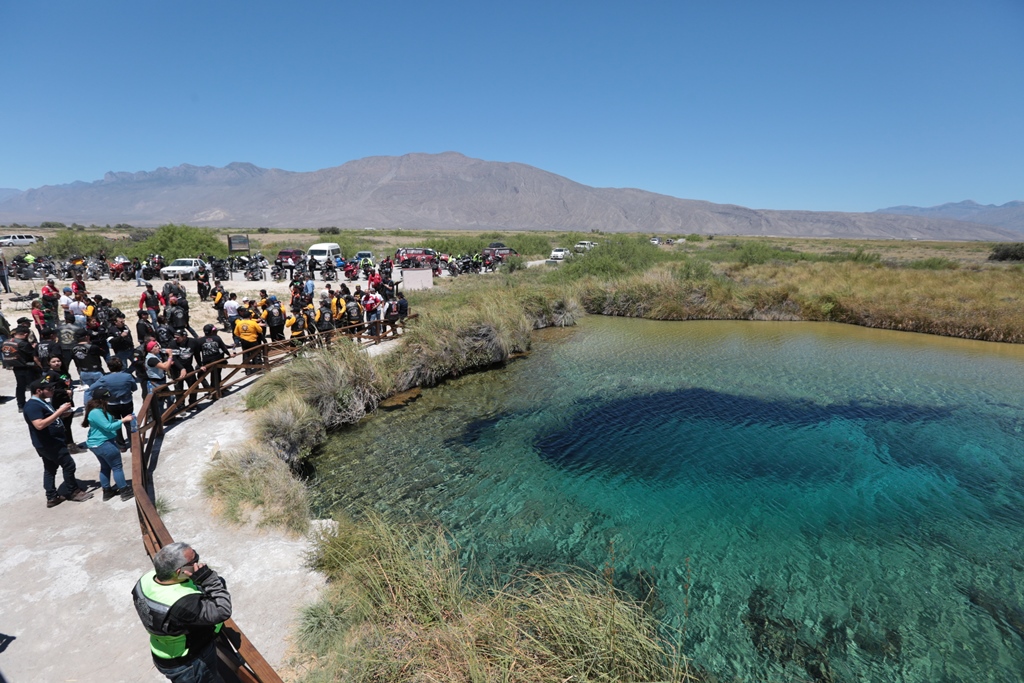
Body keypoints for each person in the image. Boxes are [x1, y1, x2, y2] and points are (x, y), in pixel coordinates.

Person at [132, 542, 232, 683]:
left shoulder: (146, 580)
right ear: (180, 571)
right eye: (194, 561)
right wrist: (210, 580)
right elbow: (223, 610)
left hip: (162, 651)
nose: (199, 563)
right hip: (189, 664)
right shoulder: (182, 603)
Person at [24, 378, 93, 507]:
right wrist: (59, 411)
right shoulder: (32, 406)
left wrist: (60, 415)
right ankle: (74, 492)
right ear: (39, 391)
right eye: (49, 389)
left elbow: (48, 418)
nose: (52, 391)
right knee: (69, 465)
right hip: (50, 444)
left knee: (50, 468)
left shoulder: (41, 402)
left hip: (51, 442)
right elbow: (39, 425)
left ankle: (52, 497)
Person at [82, 387, 134, 501]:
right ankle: (125, 491)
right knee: (117, 467)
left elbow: (109, 422)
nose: (109, 401)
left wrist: (121, 420)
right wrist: (124, 420)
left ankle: (107, 492)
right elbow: (108, 427)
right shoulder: (96, 412)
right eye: (107, 399)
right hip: (103, 444)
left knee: (105, 467)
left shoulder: (98, 410)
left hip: (98, 444)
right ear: (102, 400)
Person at [88, 356, 137, 449]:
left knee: (115, 424)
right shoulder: (127, 376)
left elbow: (92, 388)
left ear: (109, 367)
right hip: (126, 402)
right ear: (121, 366)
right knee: (129, 423)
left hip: (111, 404)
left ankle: (121, 446)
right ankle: (133, 445)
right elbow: (134, 388)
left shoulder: (105, 378)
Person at [43, 355, 80, 453]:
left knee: (68, 423)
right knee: (64, 425)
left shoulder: (63, 371)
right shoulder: (50, 374)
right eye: (53, 361)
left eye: (58, 361)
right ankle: (69, 445)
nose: (56, 363)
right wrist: (64, 391)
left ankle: (70, 443)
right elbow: (46, 387)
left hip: (68, 400)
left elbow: (67, 383)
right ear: (49, 363)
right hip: (59, 401)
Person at [3, 325, 40, 412]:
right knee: (33, 385)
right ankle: (36, 404)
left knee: (20, 386)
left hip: (16, 367)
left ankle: (21, 405)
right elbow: (33, 354)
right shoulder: (23, 343)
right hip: (27, 367)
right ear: (25, 334)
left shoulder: (6, 342)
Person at [197, 324, 232, 400]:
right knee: (216, 375)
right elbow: (224, 348)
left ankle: (210, 390)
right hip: (218, 360)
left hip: (206, 362)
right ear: (212, 331)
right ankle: (215, 391)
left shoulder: (200, 340)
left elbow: (197, 353)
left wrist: (200, 364)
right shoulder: (217, 338)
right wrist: (229, 355)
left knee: (200, 375)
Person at [71, 328, 105, 404]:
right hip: (96, 371)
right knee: (100, 389)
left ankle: (88, 406)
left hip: (83, 371)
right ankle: (102, 405)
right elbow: (103, 353)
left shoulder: (73, 348)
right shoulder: (92, 347)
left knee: (88, 390)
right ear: (86, 336)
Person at [232, 310, 264, 375]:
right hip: (253, 340)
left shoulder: (239, 323)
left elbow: (236, 333)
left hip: (243, 341)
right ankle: (258, 369)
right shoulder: (253, 323)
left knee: (246, 355)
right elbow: (260, 330)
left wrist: (242, 335)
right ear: (250, 316)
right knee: (256, 354)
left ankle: (247, 370)